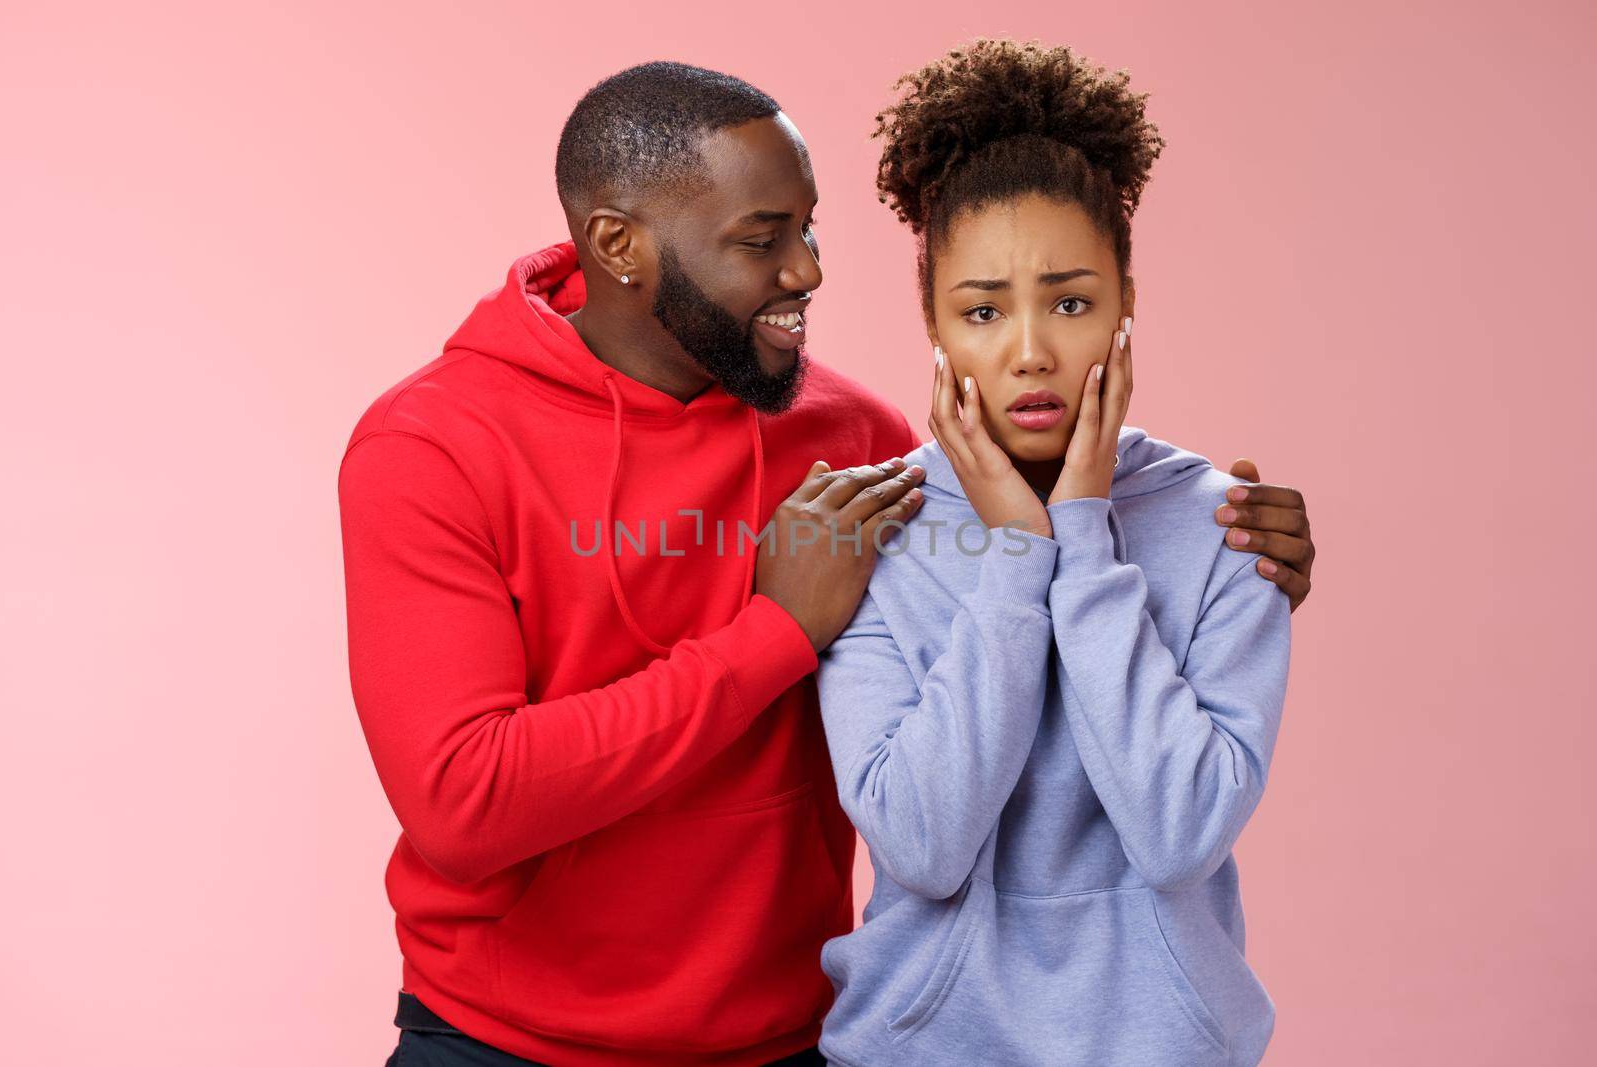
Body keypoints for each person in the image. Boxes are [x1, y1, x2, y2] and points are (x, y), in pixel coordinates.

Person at [337, 60, 1316, 1067]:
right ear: (620, 244)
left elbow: (1080, 667)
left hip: (782, 1040)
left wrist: (1228, 548)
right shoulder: (431, 443)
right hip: (501, 1041)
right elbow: (463, 800)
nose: (806, 270)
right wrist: (773, 632)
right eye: (762, 241)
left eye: (809, 229)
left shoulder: (853, 443)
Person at [813, 41, 1296, 1067]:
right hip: (918, 1046)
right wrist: (1018, 559)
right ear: (933, 325)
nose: (1028, 349)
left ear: (1128, 304)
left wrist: (1080, 531)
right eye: (981, 310)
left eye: (1070, 302)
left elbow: (1176, 832)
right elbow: (924, 845)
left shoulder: (1225, 525)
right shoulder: (878, 530)